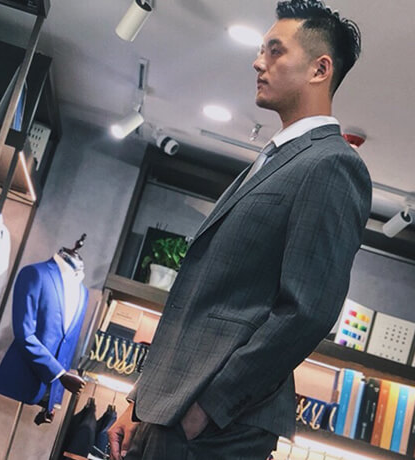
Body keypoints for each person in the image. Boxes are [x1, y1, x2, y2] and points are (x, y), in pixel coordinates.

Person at [109, 1, 372, 458]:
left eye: (275, 50)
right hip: (172, 409)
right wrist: (141, 401)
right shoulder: (279, 158)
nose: (257, 62)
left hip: (215, 426)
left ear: (320, 69)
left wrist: (207, 410)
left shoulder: (332, 164)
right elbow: (204, 300)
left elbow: (307, 311)